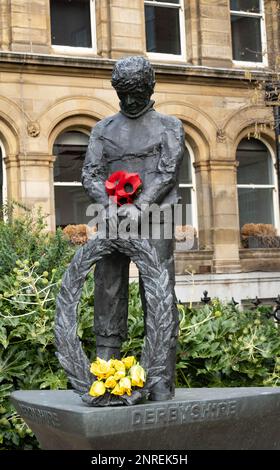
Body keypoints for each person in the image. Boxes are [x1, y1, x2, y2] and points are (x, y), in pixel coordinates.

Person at [82, 56, 186, 401]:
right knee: (107, 289)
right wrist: (111, 206)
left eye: (137, 93)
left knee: (157, 290)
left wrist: (138, 207)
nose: (130, 101)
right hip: (109, 215)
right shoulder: (102, 129)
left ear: (150, 87)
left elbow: (167, 171)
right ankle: (105, 371)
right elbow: (90, 174)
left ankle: (159, 376)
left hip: (157, 217)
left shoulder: (169, 126)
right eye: (124, 94)